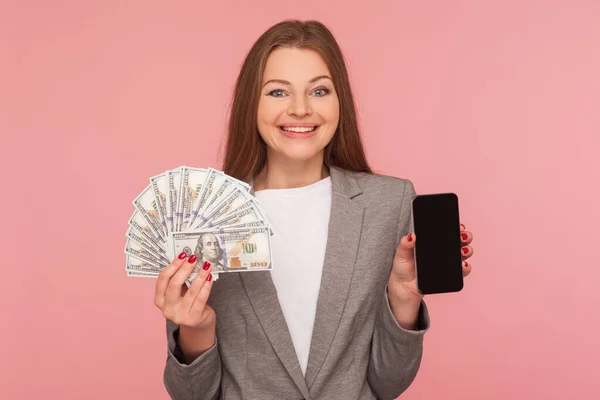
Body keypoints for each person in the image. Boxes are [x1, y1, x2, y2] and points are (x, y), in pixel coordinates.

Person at [153, 19, 475, 399]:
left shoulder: (389, 204)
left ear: (340, 102)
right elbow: (191, 395)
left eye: (319, 90)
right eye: (277, 92)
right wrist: (195, 329)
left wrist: (404, 299)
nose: (301, 109)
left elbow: (388, 383)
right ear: (250, 104)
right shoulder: (205, 215)